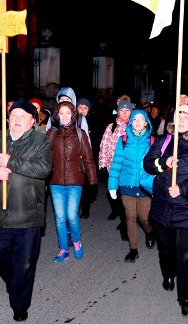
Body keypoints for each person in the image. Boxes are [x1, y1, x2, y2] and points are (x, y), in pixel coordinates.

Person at [0, 100, 52, 322]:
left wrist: (12, 162)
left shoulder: (40, 140)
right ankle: (15, 283)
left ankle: (20, 304)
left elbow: (44, 168)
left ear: (32, 121)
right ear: (7, 119)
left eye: (22, 116)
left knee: (25, 264)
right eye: (13, 115)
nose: (16, 119)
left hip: (28, 215)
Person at [143, 104, 188, 318]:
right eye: (179, 115)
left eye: (186, 115)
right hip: (163, 206)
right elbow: (147, 164)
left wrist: (183, 188)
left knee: (186, 256)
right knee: (165, 249)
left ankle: (186, 298)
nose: (182, 119)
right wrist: (164, 163)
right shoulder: (165, 141)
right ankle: (168, 273)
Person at [47, 101, 97, 262]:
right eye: (61, 113)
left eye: (68, 113)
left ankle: (76, 241)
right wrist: (53, 130)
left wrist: (93, 180)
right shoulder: (52, 132)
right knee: (60, 217)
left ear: (73, 114)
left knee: (71, 215)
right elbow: (43, 150)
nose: (64, 116)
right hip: (55, 181)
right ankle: (63, 248)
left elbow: (89, 159)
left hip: (75, 180)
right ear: (56, 115)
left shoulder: (80, 133)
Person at [108, 109, 155, 263]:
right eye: (135, 119)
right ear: (131, 122)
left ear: (146, 123)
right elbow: (116, 164)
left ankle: (150, 232)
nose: (138, 122)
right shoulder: (123, 140)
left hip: (144, 186)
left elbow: (156, 166)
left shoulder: (152, 141)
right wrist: (112, 185)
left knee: (144, 218)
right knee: (130, 217)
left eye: (141, 119)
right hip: (127, 184)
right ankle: (133, 249)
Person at [98, 97, 133, 241]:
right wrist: (102, 165)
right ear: (118, 112)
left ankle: (126, 225)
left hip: (129, 171)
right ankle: (122, 218)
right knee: (117, 198)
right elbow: (104, 146)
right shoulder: (111, 127)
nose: (124, 113)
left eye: (127, 110)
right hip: (114, 170)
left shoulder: (135, 126)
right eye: (122, 110)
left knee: (128, 200)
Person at [76, 97, 98, 218]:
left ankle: (85, 209)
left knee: (86, 184)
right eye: (80, 107)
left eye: (85, 108)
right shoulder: (75, 121)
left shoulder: (93, 121)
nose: (82, 110)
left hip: (89, 156)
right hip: (77, 157)